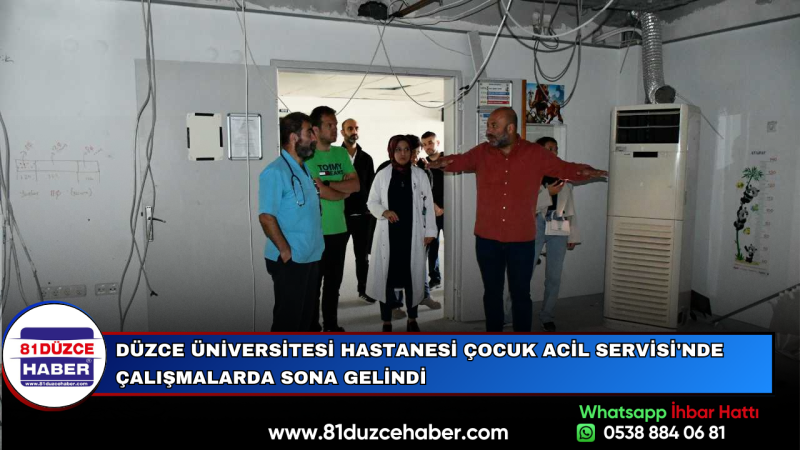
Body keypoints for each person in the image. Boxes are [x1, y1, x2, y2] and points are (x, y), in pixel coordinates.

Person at [428, 107, 607, 332]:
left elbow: (563, 168)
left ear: (510, 128)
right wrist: (442, 162)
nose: (488, 130)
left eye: (494, 126)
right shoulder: (482, 152)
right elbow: (461, 161)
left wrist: (585, 171)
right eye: (488, 125)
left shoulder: (535, 153)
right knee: (492, 293)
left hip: (522, 239)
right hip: (487, 238)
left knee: (521, 293)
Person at [503, 137, 580, 331]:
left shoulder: (563, 174)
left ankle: (547, 315)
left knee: (554, 276)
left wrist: (572, 234)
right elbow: (522, 206)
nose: (554, 152)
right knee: (523, 274)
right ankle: (510, 315)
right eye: (549, 148)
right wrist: (548, 194)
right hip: (534, 224)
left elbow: (570, 207)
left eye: (556, 148)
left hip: (559, 225)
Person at [258, 112, 323, 331]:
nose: (314, 138)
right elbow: (266, 217)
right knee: (288, 322)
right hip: (291, 259)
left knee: (305, 320)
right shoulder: (275, 172)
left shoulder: (304, 169)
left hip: (310, 255)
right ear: (294, 137)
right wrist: (285, 251)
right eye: (309, 133)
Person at [366, 135, 437, 332]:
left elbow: (428, 204)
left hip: (412, 233)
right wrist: (384, 212)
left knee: (412, 278)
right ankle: (386, 320)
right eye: (398, 149)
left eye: (406, 149)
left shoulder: (420, 175)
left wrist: (430, 230)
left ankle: (412, 319)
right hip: (389, 234)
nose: (403, 153)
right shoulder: (382, 175)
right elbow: (371, 201)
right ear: (391, 151)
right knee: (386, 278)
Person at [304, 106, 360, 332]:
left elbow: (355, 185)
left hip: (339, 228)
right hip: (316, 230)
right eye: (330, 125)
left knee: (334, 283)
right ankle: (312, 327)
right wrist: (340, 190)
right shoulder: (307, 156)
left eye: (336, 125)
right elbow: (319, 191)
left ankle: (331, 325)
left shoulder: (341, 153)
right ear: (316, 129)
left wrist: (327, 184)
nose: (335, 129)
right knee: (313, 284)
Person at [339, 118, 377, 304]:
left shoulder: (366, 159)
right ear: (342, 132)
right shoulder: (335, 156)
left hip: (363, 216)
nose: (354, 131)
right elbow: (323, 179)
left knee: (362, 257)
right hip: (340, 216)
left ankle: (364, 289)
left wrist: (371, 210)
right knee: (336, 258)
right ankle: (333, 291)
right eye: (350, 128)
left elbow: (371, 186)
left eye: (356, 128)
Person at [419, 131, 444, 289]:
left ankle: (454, 277)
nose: (427, 147)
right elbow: (422, 190)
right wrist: (434, 206)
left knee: (453, 246)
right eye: (424, 144)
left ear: (437, 142)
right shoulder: (422, 164)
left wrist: (445, 207)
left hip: (449, 211)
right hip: (431, 211)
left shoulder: (447, 160)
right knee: (432, 247)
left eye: (430, 142)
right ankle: (435, 278)